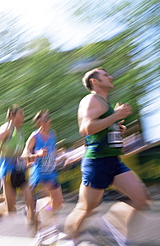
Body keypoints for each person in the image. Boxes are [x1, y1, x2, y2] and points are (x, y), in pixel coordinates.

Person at [64, 67, 150, 240]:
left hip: (113, 161)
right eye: (105, 75)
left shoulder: (105, 105)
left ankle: (110, 228)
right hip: (97, 162)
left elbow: (101, 127)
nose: (110, 76)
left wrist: (116, 126)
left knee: (141, 199)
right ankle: (69, 240)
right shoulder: (91, 99)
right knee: (86, 209)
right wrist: (115, 116)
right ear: (95, 81)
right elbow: (86, 128)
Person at [0, 105, 36, 234]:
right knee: (11, 210)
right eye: (21, 114)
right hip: (8, 171)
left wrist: (26, 158)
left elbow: (18, 152)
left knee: (30, 200)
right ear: (12, 116)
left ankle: (36, 232)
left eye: (23, 114)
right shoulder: (7, 129)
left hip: (19, 170)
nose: (23, 117)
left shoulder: (20, 131)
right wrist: (0, 151)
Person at [22, 109, 63, 227]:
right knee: (49, 195)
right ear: (39, 122)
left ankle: (36, 210)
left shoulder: (52, 134)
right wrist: (37, 154)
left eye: (49, 118)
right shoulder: (34, 136)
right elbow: (25, 155)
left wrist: (58, 157)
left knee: (58, 202)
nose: (49, 121)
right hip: (39, 172)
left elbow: (52, 151)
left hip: (51, 171)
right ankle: (46, 223)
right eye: (46, 119)